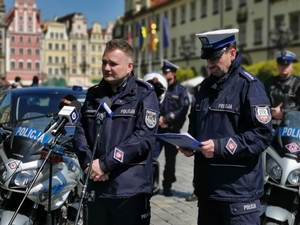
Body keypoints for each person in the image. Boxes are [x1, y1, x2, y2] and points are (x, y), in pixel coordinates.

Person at [178, 29, 273, 225]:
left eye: (215, 57)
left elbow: (262, 135)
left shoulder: (250, 86)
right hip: (208, 193)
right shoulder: (203, 88)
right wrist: (189, 143)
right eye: (207, 58)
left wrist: (220, 147)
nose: (210, 63)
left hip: (238, 196)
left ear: (232, 53)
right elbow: (195, 125)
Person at [73, 39, 160, 225]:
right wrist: (89, 164)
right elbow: (80, 133)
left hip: (129, 190)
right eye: (104, 62)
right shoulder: (93, 95)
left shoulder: (144, 94)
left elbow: (143, 138)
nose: (106, 68)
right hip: (96, 185)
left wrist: (105, 164)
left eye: (113, 63)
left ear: (129, 67)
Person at [155, 60, 190, 197]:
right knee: (152, 157)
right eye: (163, 72)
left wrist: (167, 120)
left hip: (172, 131)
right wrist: (159, 119)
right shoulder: (159, 89)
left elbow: (183, 108)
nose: (164, 74)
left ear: (173, 73)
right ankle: (151, 183)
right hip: (158, 130)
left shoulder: (180, 90)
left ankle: (167, 186)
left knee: (170, 161)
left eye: (167, 72)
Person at [264, 50, 300, 129]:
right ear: (277, 65)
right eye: (281, 64)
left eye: (286, 64)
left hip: (292, 128)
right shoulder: (269, 83)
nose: (283, 66)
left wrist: (283, 113)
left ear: (291, 65)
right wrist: (270, 111)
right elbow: (261, 103)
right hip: (271, 127)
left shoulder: (298, 83)